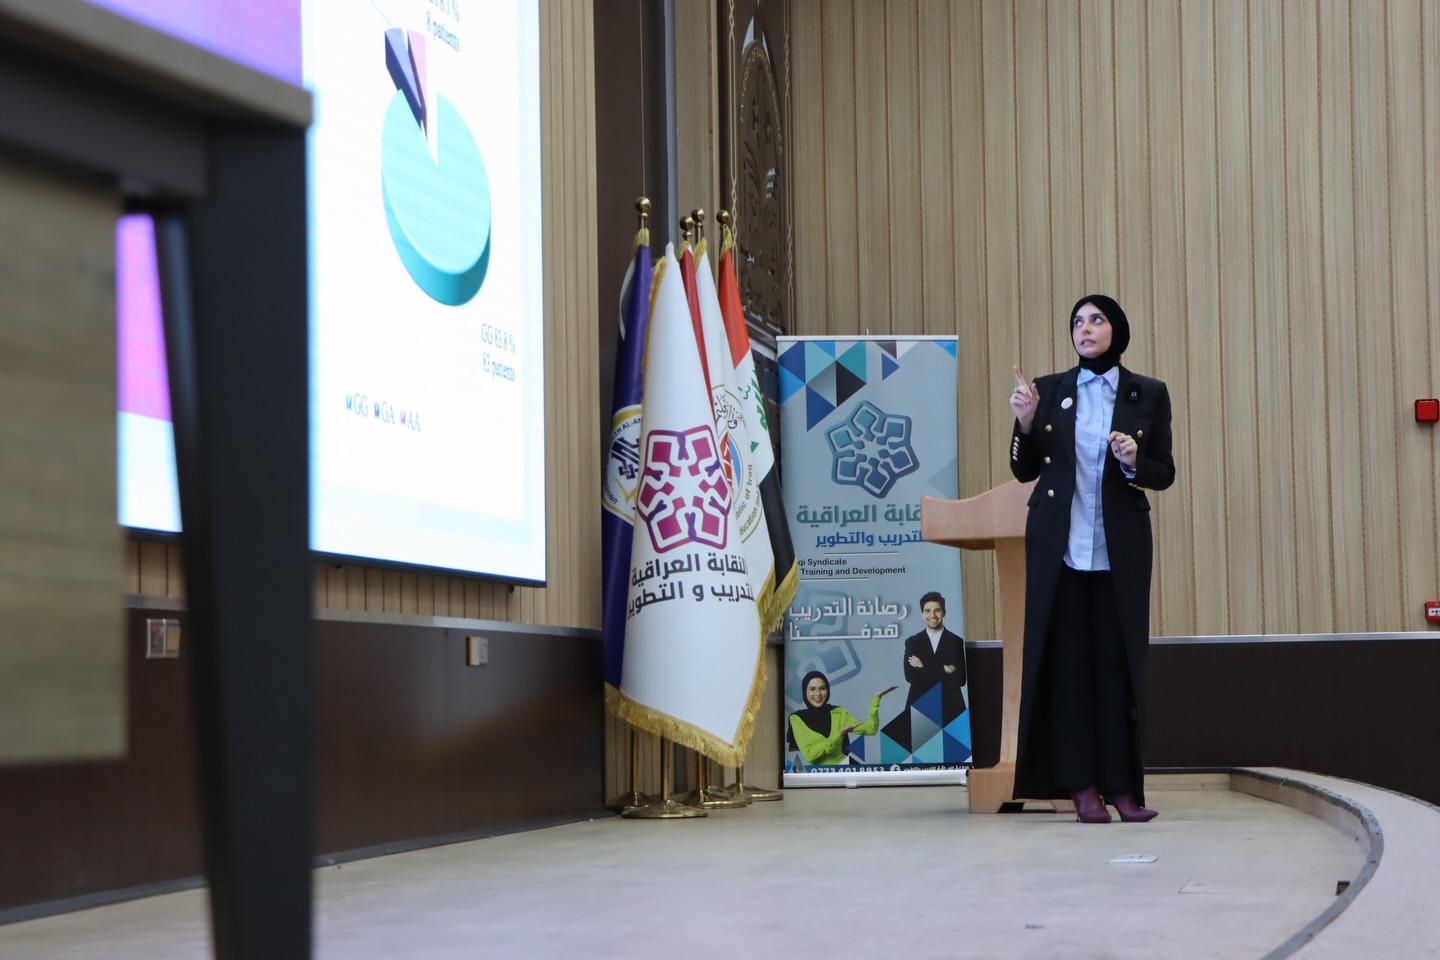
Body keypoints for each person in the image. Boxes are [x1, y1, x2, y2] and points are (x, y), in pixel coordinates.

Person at [1007, 294, 1175, 824]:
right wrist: (1025, 423)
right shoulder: (1050, 389)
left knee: (1116, 666)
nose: (1085, 329)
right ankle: (1081, 787)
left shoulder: (1147, 392)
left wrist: (1133, 461)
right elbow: (1024, 471)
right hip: (1060, 551)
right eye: (1078, 322)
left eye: (1096, 320)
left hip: (1118, 550)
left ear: (1116, 330)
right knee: (1070, 668)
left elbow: (1164, 472)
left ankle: (1124, 789)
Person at [787, 670, 897, 766]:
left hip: (844, 771)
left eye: (822, 688)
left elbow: (871, 729)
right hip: (818, 776)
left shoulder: (839, 713)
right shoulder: (796, 718)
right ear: (805, 691)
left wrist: (875, 700)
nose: (818, 693)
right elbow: (810, 755)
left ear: (828, 690)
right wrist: (839, 734)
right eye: (812, 689)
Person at [902, 591, 967, 725]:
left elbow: (960, 679)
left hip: (951, 709)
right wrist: (944, 669)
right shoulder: (913, 642)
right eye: (927, 611)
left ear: (944, 613)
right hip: (920, 709)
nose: (932, 615)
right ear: (922, 614)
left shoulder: (956, 641)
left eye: (937, 610)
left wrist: (924, 668)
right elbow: (911, 676)